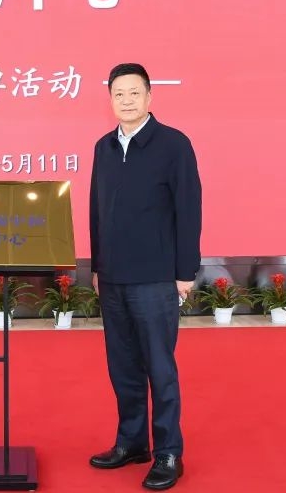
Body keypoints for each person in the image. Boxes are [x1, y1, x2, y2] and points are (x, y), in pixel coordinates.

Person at [88, 63, 202, 491]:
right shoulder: (103, 147)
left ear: (150, 97)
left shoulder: (173, 145)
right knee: (123, 367)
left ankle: (168, 451)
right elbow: (97, 211)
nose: (127, 100)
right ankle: (131, 442)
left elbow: (189, 209)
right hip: (113, 278)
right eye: (119, 94)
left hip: (155, 278)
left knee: (160, 368)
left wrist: (185, 272)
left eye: (134, 92)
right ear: (110, 100)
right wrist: (97, 266)